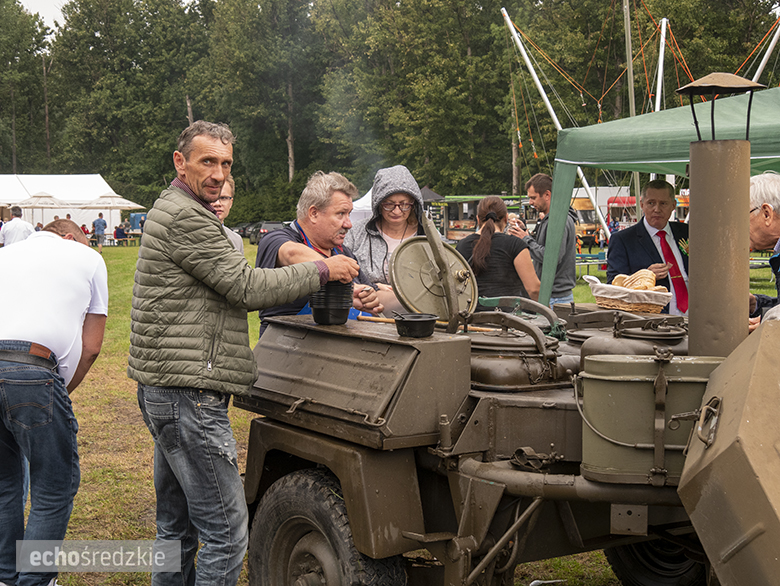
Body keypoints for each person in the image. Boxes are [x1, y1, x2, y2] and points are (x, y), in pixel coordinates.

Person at [128, 121, 358, 586]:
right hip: (189, 394)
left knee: (176, 527)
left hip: (169, 388)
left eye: (225, 163)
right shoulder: (187, 217)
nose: (217, 173)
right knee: (228, 533)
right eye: (207, 161)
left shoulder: (176, 209)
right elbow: (247, 286)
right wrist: (322, 269)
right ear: (180, 162)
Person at [0, 219, 108, 586]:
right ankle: (35, 580)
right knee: (53, 485)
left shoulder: (5, 254)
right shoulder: (87, 257)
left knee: (4, 482)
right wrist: (61, 391)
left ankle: (5, 576)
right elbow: (92, 347)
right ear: (70, 237)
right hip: (33, 368)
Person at [255, 170, 385, 336]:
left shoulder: (344, 253)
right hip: (285, 350)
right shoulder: (275, 239)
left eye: (349, 214)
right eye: (341, 214)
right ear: (314, 213)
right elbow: (291, 254)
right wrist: (339, 281)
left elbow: (370, 293)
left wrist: (368, 296)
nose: (349, 224)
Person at [606, 179, 689, 315]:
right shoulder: (623, 240)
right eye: (651, 203)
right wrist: (644, 276)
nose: (657, 209)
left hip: (696, 319)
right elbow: (613, 286)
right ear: (642, 204)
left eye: (663, 203)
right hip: (652, 321)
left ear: (673, 205)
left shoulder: (687, 232)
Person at [344, 165, 426, 285]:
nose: (397, 211)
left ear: (413, 204)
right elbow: (342, 273)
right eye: (389, 204)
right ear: (378, 203)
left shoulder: (427, 235)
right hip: (365, 301)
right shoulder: (355, 233)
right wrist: (371, 288)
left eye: (404, 205)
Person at [456, 196, 540, 306]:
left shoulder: (462, 246)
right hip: (508, 318)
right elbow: (534, 289)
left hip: (471, 317)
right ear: (506, 218)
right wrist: (549, 314)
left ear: (477, 219)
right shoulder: (515, 245)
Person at [510, 173, 577, 307]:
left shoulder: (557, 221)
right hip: (555, 296)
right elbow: (548, 246)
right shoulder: (553, 218)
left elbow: (552, 258)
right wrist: (528, 233)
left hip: (555, 298)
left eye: (533, 198)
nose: (530, 202)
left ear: (547, 195)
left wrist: (526, 239)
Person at [213, 175, 244, 253]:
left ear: (231, 203)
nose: (217, 203)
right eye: (213, 198)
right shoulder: (189, 237)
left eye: (223, 198)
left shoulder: (237, 240)